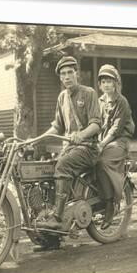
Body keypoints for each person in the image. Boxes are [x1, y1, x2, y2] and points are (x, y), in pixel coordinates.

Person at [36, 56, 102, 232]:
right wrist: (36, 139)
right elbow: (57, 126)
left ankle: (57, 218)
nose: (67, 76)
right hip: (70, 148)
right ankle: (51, 231)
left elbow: (96, 124)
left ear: (76, 74)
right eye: (63, 74)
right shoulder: (62, 97)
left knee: (63, 166)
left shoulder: (89, 93)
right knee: (48, 169)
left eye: (70, 72)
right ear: (60, 77)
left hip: (88, 148)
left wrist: (81, 135)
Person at [96, 64, 135, 229]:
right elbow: (96, 123)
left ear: (115, 83)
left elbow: (116, 129)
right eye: (103, 81)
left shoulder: (122, 102)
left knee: (102, 162)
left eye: (109, 81)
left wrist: (101, 144)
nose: (106, 85)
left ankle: (111, 203)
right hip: (104, 140)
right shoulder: (100, 101)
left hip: (120, 141)